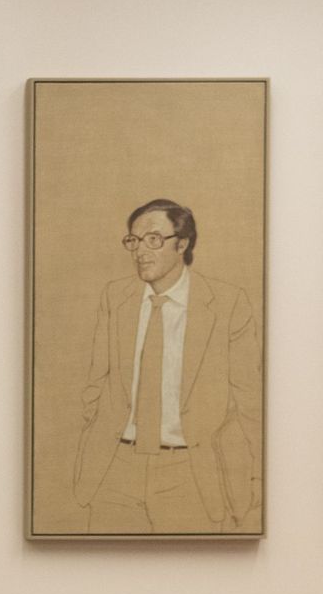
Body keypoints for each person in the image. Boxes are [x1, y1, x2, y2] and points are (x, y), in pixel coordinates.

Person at [74, 199, 262, 533]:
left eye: (153, 239)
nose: (140, 251)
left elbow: (250, 400)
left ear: (183, 243)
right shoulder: (115, 298)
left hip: (190, 472)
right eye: (133, 241)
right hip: (115, 469)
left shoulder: (227, 304)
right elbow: (95, 384)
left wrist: (258, 473)